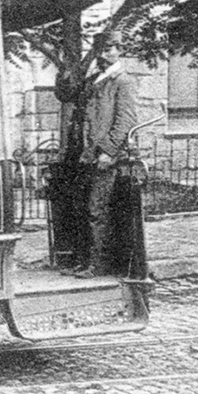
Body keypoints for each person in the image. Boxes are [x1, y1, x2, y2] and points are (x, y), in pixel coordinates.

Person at [73, 32, 139, 278]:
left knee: (97, 210)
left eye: (110, 49)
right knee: (85, 209)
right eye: (100, 49)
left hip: (105, 156)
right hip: (88, 154)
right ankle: (85, 261)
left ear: (119, 50)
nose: (104, 54)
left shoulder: (122, 81)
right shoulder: (95, 79)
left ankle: (98, 265)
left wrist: (108, 151)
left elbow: (126, 121)